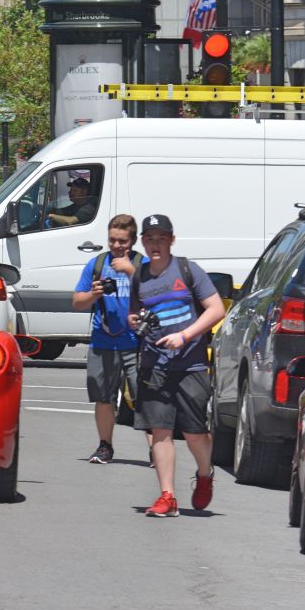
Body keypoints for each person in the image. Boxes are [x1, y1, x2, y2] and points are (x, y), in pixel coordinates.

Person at [128, 214, 227, 517]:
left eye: (161, 238)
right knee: (161, 430)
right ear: (142, 242)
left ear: (172, 240)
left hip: (190, 364)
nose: (155, 244)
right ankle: (167, 495)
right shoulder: (139, 276)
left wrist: (184, 336)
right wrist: (134, 321)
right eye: (149, 239)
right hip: (154, 363)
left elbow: (216, 309)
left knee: (195, 432)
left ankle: (205, 472)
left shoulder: (188, 269)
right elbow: (134, 314)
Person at [73, 214, 145, 464]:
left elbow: (158, 294)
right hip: (103, 341)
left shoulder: (142, 265)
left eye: (122, 241)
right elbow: (77, 302)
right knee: (103, 397)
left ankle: (155, 450)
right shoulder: (96, 264)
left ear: (133, 240)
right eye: (112, 240)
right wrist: (93, 294)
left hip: (137, 342)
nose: (117, 246)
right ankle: (105, 446)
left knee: (144, 396)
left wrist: (132, 272)